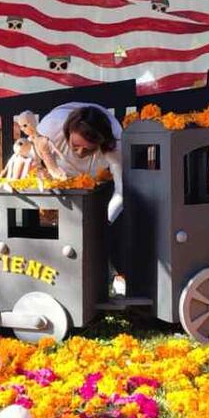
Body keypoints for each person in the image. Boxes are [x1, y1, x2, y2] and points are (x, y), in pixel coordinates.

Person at [34, 103, 126, 292]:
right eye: (76, 146)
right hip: (58, 173)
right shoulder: (52, 127)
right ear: (68, 131)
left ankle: (107, 277)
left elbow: (121, 189)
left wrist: (108, 218)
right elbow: (37, 146)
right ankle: (50, 272)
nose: (79, 153)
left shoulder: (115, 147)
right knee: (50, 220)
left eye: (88, 149)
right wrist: (48, 166)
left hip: (96, 180)